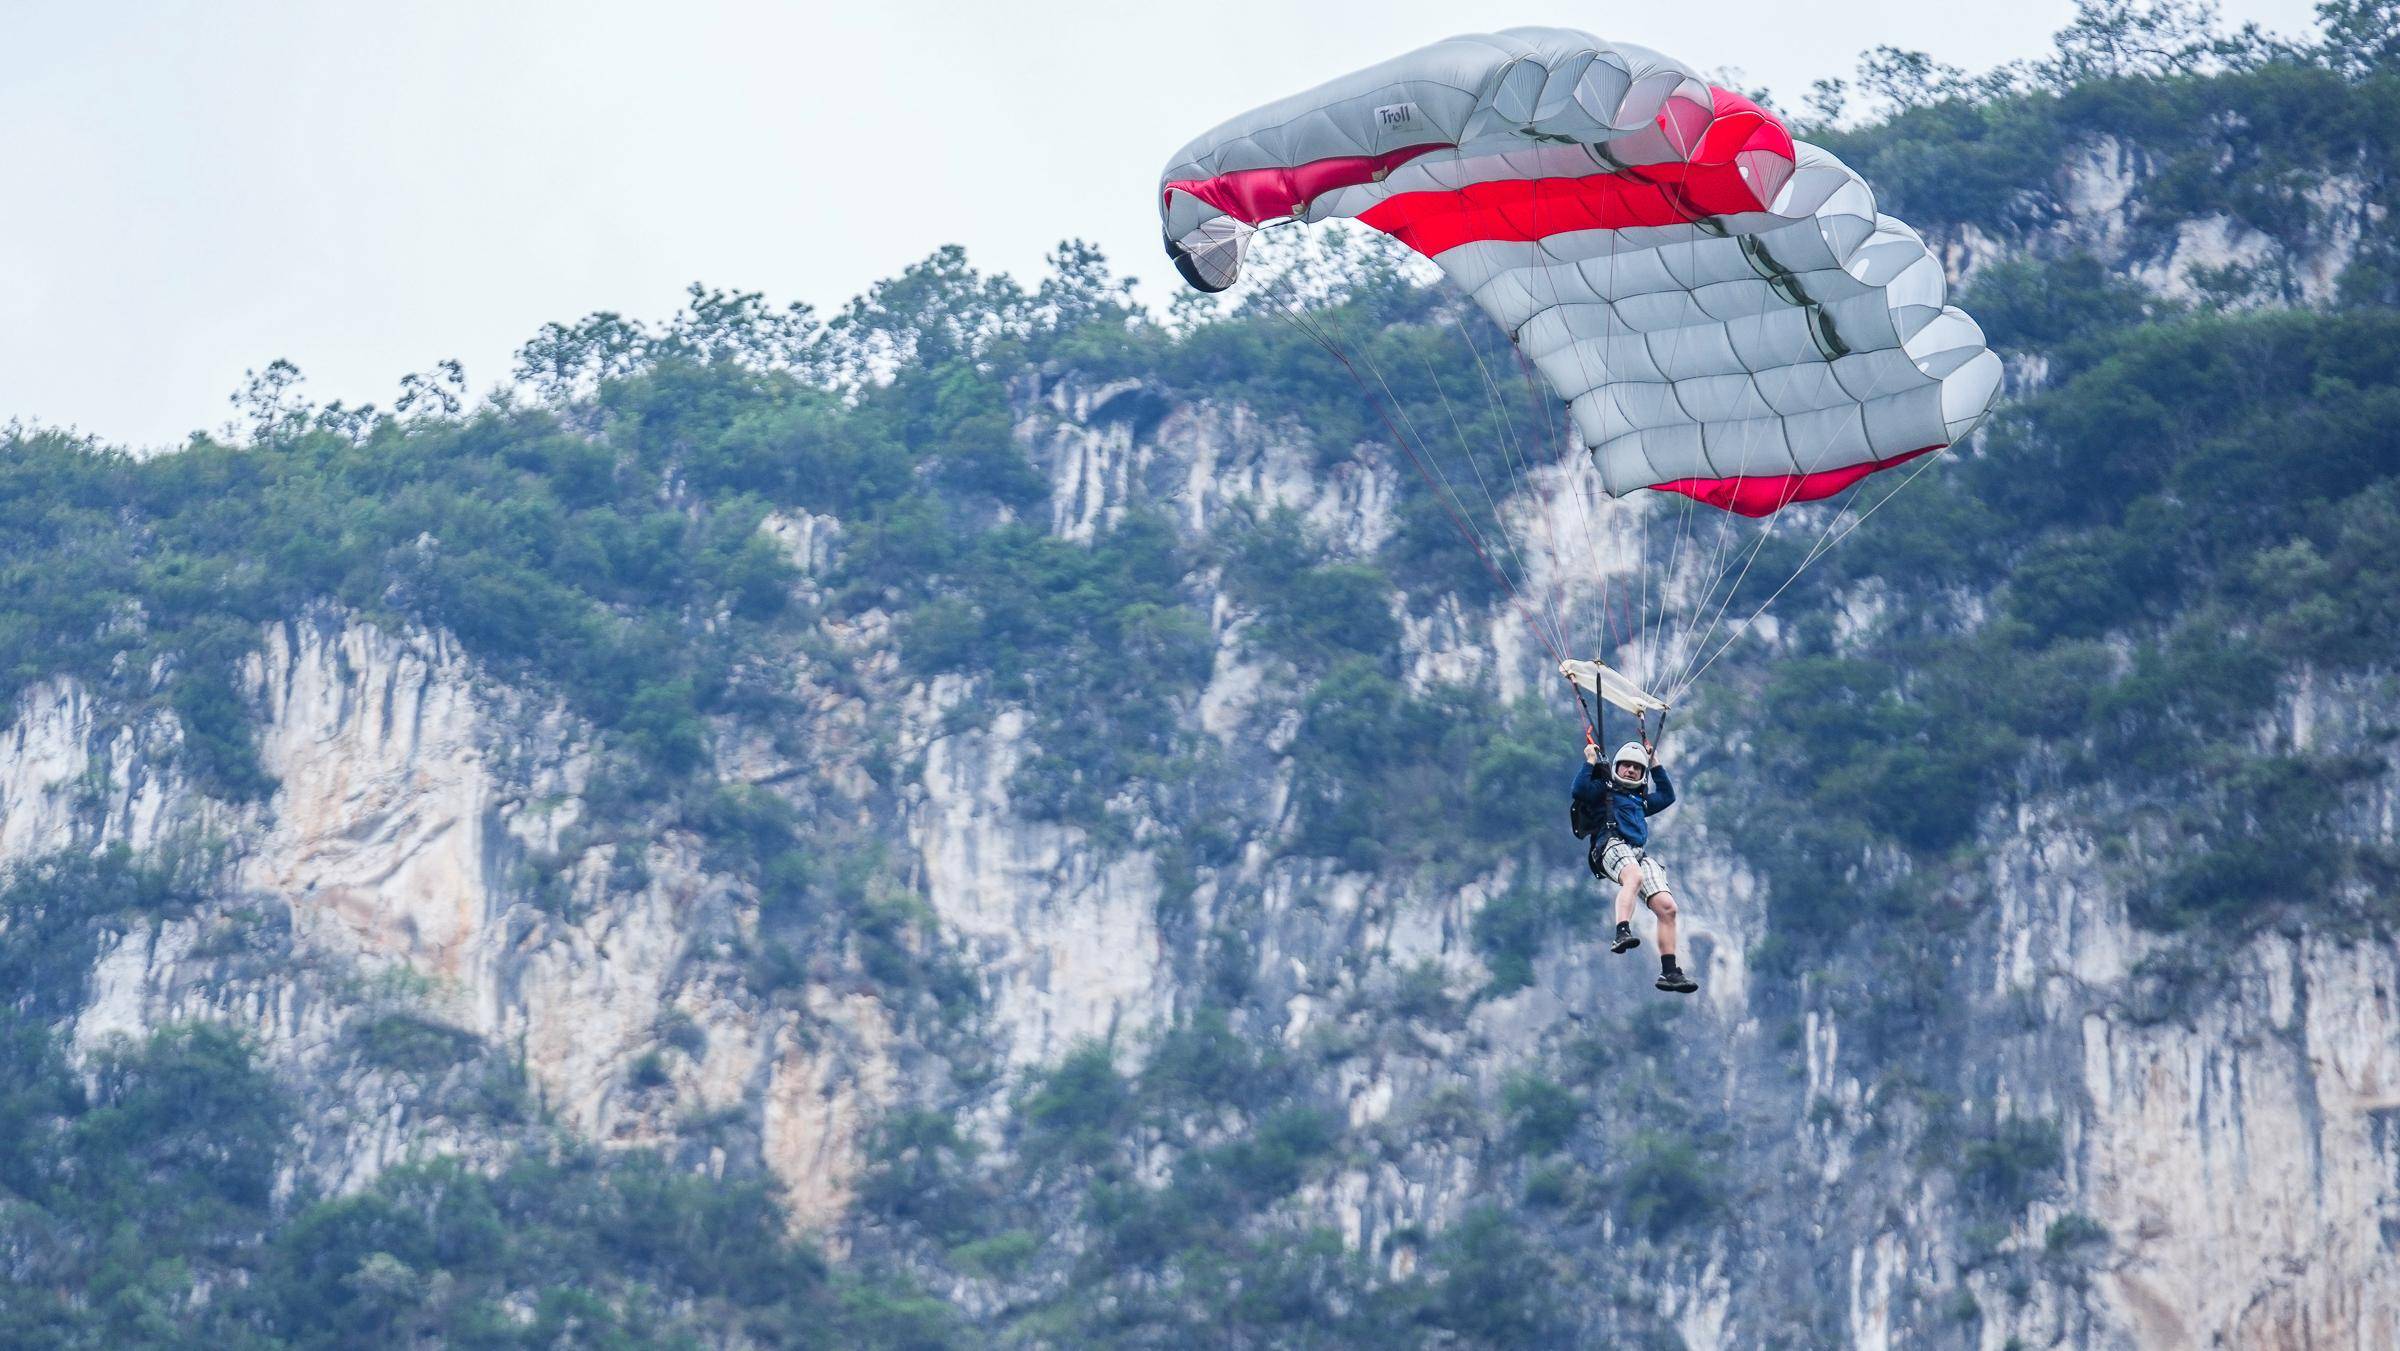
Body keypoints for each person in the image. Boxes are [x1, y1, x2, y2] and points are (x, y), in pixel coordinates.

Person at [1570, 740, 1697, 994]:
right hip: (1609, 845)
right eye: (1626, 766)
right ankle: (1622, 931)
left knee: (1668, 908)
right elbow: (1580, 790)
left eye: (1636, 768)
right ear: (1617, 768)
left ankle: (1670, 971)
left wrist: (1655, 763)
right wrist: (1590, 760)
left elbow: (1667, 796)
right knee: (1634, 876)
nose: (1630, 771)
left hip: (1637, 853)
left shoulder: (1640, 801)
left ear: (1642, 774)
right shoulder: (1605, 792)